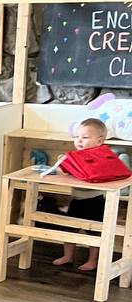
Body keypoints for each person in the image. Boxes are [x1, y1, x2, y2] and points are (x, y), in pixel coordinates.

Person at [37, 117, 108, 273]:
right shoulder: (76, 155)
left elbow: (94, 171)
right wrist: (63, 163)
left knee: (94, 232)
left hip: (94, 201)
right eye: (77, 137)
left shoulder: (101, 156)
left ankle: (92, 260)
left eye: (85, 137)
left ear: (99, 141)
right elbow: (67, 172)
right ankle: (68, 256)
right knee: (69, 229)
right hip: (76, 199)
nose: (79, 141)